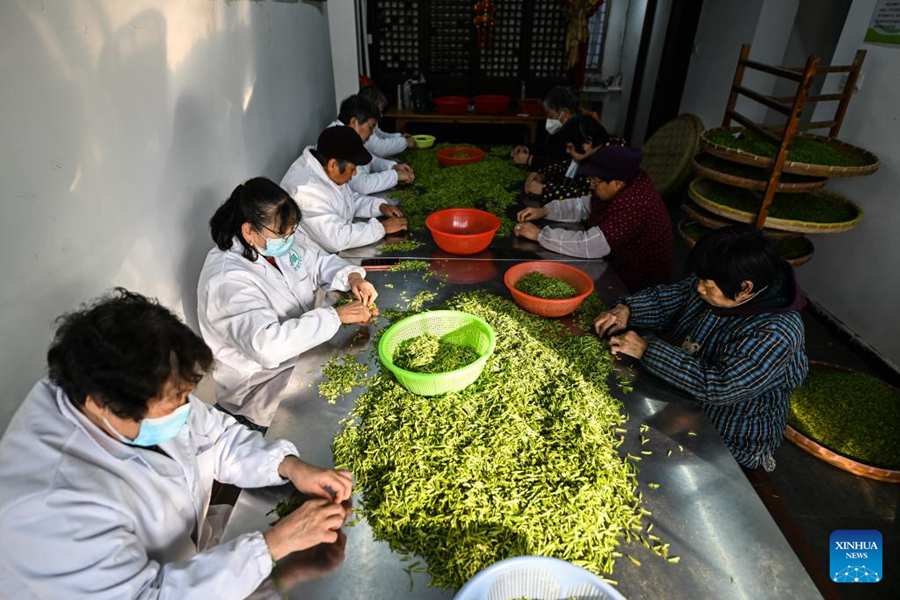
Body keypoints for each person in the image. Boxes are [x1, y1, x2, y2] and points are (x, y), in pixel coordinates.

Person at [0, 289, 353, 599]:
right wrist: (274, 544)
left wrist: (288, 466)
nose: (187, 409)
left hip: (188, 558)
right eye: (175, 401)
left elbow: (215, 436)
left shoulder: (137, 390)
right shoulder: (48, 507)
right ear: (101, 403)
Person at [594, 225, 809, 471]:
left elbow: (720, 386)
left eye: (708, 285)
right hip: (683, 405)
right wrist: (628, 310)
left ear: (745, 289)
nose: (699, 289)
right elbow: (668, 300)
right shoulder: (719, 283)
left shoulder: (777, 332)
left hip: (729, 436)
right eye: (700, 280)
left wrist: (646, 349)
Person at [198, 177, 378, 428]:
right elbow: (267, 346)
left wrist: (353, 277)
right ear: (249, 231)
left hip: (304, 353)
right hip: (261, 385)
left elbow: (318, 262)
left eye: (292, 232)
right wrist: (336, 316)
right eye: (283, 235)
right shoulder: (227, 279)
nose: (290, 239)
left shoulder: (278, 238)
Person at [514, 145, 673, 292]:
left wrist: (540, 235)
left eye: (595, 182)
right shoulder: (623, 182)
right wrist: (545, 210)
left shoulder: (635, 203)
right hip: (615, 263)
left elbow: (591, 244)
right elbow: (583, 205)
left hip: (636, 284)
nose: (591, 185)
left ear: (616, 183)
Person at [281, 126, 408, 253]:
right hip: (315, 259)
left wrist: (379, 206)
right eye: (352, 169)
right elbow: (336, 239)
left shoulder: (326, 169)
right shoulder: (305, 191)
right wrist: (382, 228)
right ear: (333, 165)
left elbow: (346, 200)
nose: (354, 174)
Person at [326, 94, 415, 195]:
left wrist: (392, 167)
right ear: (354, 122)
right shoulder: (338, 140)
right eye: (371, 127)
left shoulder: (349, 136)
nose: (372, 133)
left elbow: (369, 160)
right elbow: (362, 185)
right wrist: (395, 176)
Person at [523, 113, 623, 202]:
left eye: (570, 147)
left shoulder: (612, 159)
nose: (567, 151)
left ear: (588, 142)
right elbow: (568, 165)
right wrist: (542, 174)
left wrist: (545, 190)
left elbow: (587, 197)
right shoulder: (594, 150)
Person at [511, 86, 581, 171]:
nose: (548, 119)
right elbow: (550, 149)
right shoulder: (564, 129)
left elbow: (564, 165)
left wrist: (530, 160)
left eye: (550, 115)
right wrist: (526, 148)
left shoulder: (579, 133)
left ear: (564, 113)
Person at [358, 85, 417, 157]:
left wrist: (399, 136)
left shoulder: (367, 118)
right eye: (379, 111)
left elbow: (378, 134)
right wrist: (405, 142)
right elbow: (379, 148)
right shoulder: (362, 122)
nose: (381, 115)